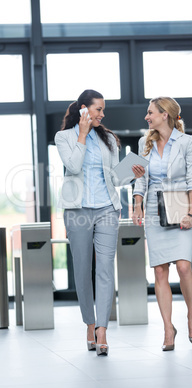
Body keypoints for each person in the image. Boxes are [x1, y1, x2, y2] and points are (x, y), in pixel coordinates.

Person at [55, 89, 144, 356]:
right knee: (82, 270)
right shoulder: (64, 137)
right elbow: (72, 166)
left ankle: (102, 330)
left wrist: (132, 171)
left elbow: (115, 178)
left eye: (103, 110)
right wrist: (82, 135)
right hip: (77, 209)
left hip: (107, 208)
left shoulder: (108, 139)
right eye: (98, 110)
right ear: (84, 109)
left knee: (105, 268)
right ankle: (89, 323)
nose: (102, 115)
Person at [132, 96, 192, 351]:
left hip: (181, 206)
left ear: (165, 115)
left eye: (150, 113)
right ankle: (167, 329)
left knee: (183, 267)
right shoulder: (144, 142)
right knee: (160, 271)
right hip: (153, 209)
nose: (147, 117)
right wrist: (137, 205)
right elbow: (140, 179)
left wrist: (191, 213)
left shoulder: (187, 142)